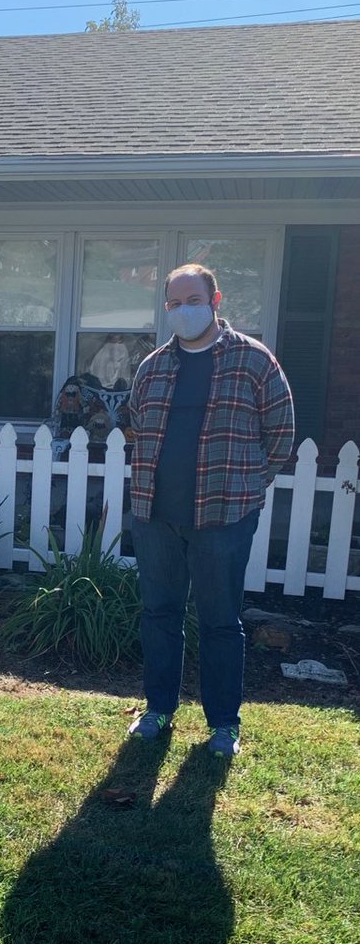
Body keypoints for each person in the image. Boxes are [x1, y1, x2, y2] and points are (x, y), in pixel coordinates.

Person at [126, 264, 294, 757]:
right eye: (174, 303)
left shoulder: (254, 361)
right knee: (160, 614)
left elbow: (280, 436)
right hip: (155, 515)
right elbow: (139, 425)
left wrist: (246, 487)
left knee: (219, 620)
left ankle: (224, 725)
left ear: (215, 300)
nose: (183, 310)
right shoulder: (152, 367)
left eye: (192, 299)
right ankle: (157, 709)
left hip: (224, 518)